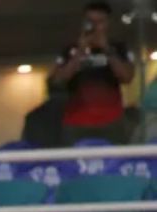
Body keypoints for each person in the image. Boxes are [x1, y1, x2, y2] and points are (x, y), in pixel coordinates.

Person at [52, 3, 134, 144]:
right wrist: (79, 52)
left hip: (112, 121)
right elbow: (58, 79)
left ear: (108, 24)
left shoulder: (119, 48)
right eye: (90, 22)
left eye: (100, 22)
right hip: (76, 122)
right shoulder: (69, 49)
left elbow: (127, 77)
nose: (95, 27)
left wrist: (107, 49)